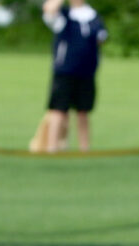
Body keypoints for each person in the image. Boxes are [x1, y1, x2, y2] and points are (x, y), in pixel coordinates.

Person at [41, 0, 107, 153]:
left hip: (86, 72)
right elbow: (49, 10)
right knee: (58, 110)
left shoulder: (93, 16)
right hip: (65, 71)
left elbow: (101, 38)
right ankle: (52, 148)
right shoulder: (63, 14)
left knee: (83, 112)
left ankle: (84, 149)